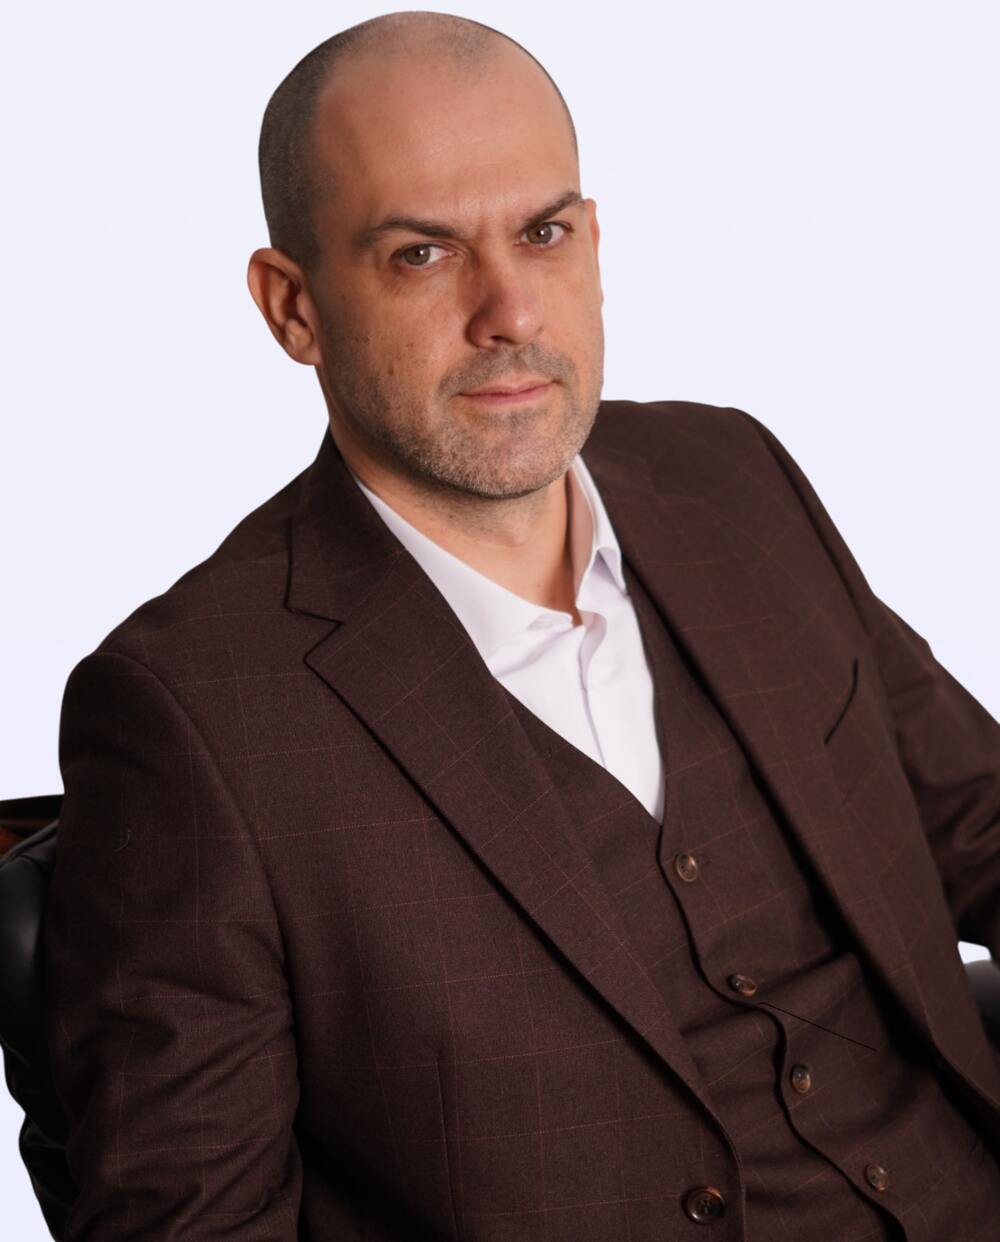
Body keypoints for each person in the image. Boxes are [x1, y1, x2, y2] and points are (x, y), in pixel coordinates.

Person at [42, 11, 1000, 1241]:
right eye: (421, 254)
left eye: (541, 235)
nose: (509, 312)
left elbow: (979, 826)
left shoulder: (731, 479)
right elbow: (192, 1220)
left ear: (591, 242)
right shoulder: (189, 710)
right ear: (293, 307)